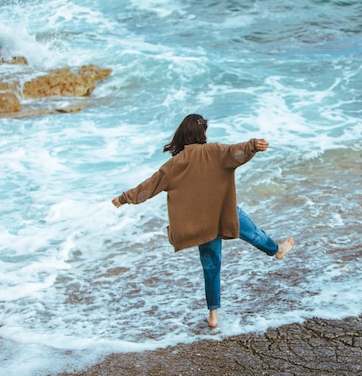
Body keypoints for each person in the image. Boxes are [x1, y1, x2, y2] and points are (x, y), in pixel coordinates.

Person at [111, 114, 294, 329]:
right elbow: (236, 152)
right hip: (224, 213)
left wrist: (123, 198)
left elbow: (148, 188)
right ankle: (276, 250)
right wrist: (253, 145)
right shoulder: (214, 151)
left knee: (211, 266)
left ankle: (213, 314)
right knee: (252, 232)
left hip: (201, 224)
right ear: (201, 133)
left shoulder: (174, 164)